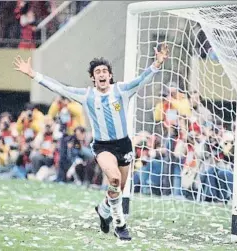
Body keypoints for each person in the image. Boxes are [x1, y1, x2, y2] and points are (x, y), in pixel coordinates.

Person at [13, 43, 169, 240]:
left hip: (124, 145)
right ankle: (120, 225)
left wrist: (157, 63)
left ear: (110, 76)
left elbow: (142, 79)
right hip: (103, 147)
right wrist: (33, 74)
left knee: (117, 190)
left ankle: (104, 211)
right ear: (93, 78)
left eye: (105, 71)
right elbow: (59, 87)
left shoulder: (121, 90)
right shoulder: (86, 95)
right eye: (98, 71)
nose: (102, 74)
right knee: (113, 180)